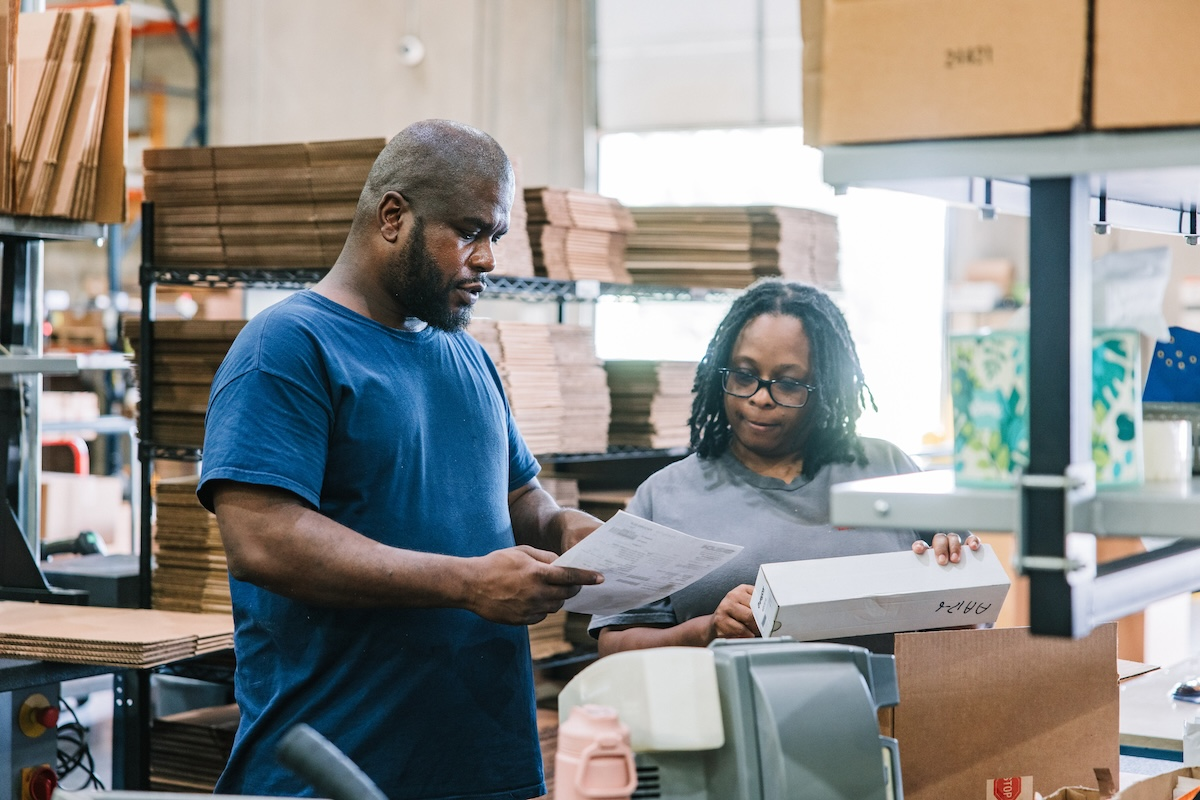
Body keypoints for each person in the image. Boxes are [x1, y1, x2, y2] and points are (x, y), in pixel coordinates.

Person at [197, 119, 604, 799]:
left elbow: (518, 500)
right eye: (470, 231)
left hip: (482, 763)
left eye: (494, 238)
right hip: (339, 766)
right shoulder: (288, 347)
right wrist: (467, 583)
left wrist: (565, 529)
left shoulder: (468, 356)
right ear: (393, 217)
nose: (487, 261)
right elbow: (263, 542)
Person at [592, 279, 979, 654]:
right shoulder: (666, 495)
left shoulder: (887, 467)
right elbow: (614, 646)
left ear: (825, 388)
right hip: (725, 716)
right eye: (744, 376)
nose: (761, 398)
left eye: (789, 383)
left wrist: (956, 572)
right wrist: (706, 630)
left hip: (885, 714)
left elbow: (973, 619)